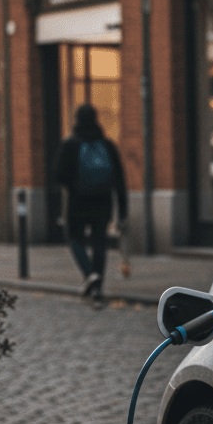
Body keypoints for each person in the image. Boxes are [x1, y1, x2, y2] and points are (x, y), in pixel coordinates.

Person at [55, 104, 127, 302]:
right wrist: (122, 209)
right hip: (103, 202)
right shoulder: (107, 145)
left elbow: (59, 175)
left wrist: (73, 186)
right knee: (99, 242)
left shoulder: (70, 144)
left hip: (78, 202)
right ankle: (97, 288)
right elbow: (119, 178)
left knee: (74, 238)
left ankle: (89, 274)